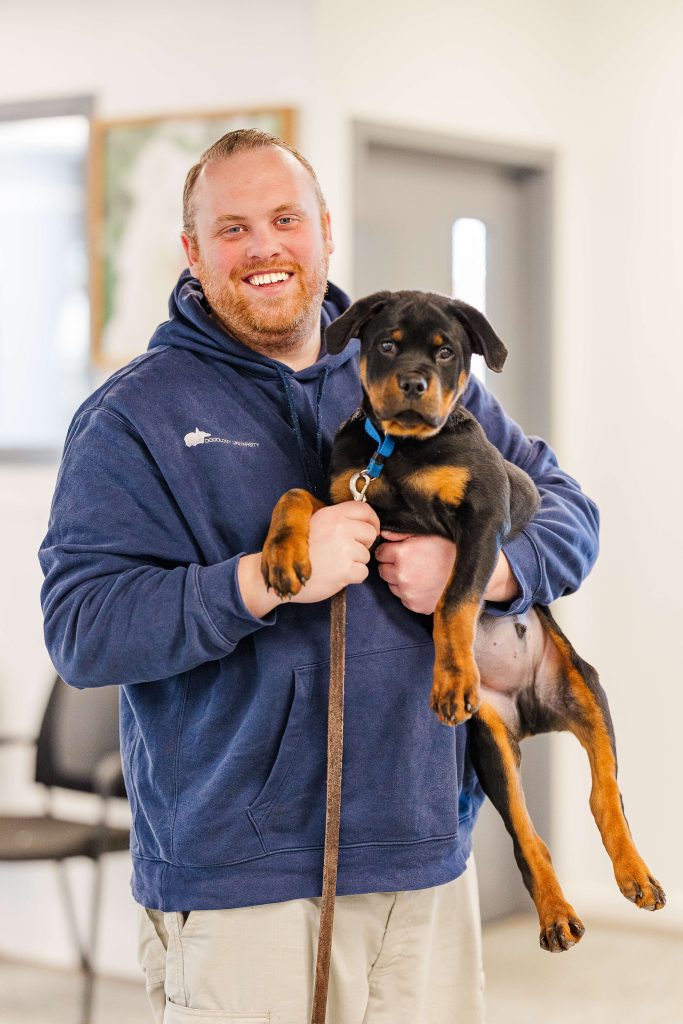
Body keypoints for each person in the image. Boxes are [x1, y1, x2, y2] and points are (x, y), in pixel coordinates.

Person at [39, 129, 599, 1024]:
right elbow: (82, 629)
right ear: (191, 251)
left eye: (284, 218)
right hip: (242, 886)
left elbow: (567, 510)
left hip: (425, 864)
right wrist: (262, 582)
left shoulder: (427, 376)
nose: (264, 246)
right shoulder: (134, 415)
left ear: (324, 232)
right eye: (231, 228)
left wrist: (483, 572)